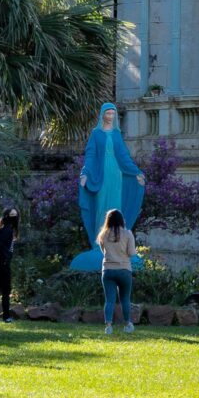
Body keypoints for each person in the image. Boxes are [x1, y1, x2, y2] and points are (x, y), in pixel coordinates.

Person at [73, 101, 144, 275]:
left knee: (115, 208)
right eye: (108, 113)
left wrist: (136, 173)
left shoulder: (117, 135)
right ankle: (99, 243)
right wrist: (85, 174)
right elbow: (90, 155)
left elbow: (125, 156)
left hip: (117, 175)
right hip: (101, 174)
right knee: (101, 208)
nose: (110, 116)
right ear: (102, 115)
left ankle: (116, 243)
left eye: (113, 114)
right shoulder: (96, 134)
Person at [96, 208, 139, 333]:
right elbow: (131, 253)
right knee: (125, 299)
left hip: (108, 270)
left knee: (109, 300)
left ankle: (108, 326)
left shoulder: (102, 235)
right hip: (124, 269)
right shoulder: (127, 234)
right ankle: (127, 324)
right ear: (121, 220)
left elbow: (103, 252)